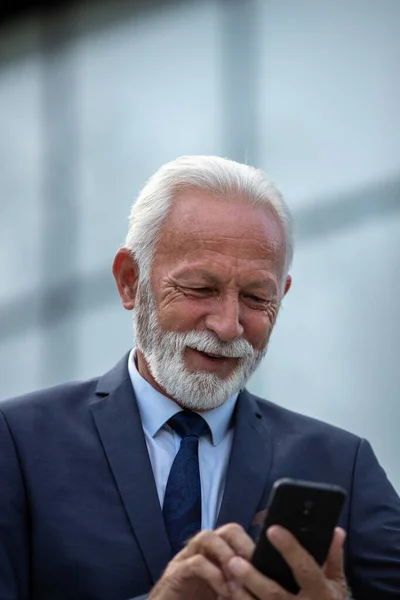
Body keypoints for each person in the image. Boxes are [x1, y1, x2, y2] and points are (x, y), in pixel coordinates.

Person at [0, 156, 399, 600]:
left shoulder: (344, 465)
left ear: (281, 296)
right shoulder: (18, 443)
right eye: (200, 289)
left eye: (256, 297)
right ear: (130, 281)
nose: (228, 326)